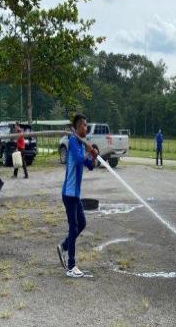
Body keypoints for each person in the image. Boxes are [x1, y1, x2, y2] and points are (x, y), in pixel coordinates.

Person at [57, 114, 98, 278]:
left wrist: (93, 156)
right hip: (68, 193)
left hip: (75, 194)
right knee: (74, 226)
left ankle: (64, 246)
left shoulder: (82, 144)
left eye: (87, 126)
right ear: (78, 127)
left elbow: (89, 165)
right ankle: (71, 267)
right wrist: (89, 152)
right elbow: (80, 159)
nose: (86, 128)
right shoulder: (73, 141)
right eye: (84, 125)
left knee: (82, 223)